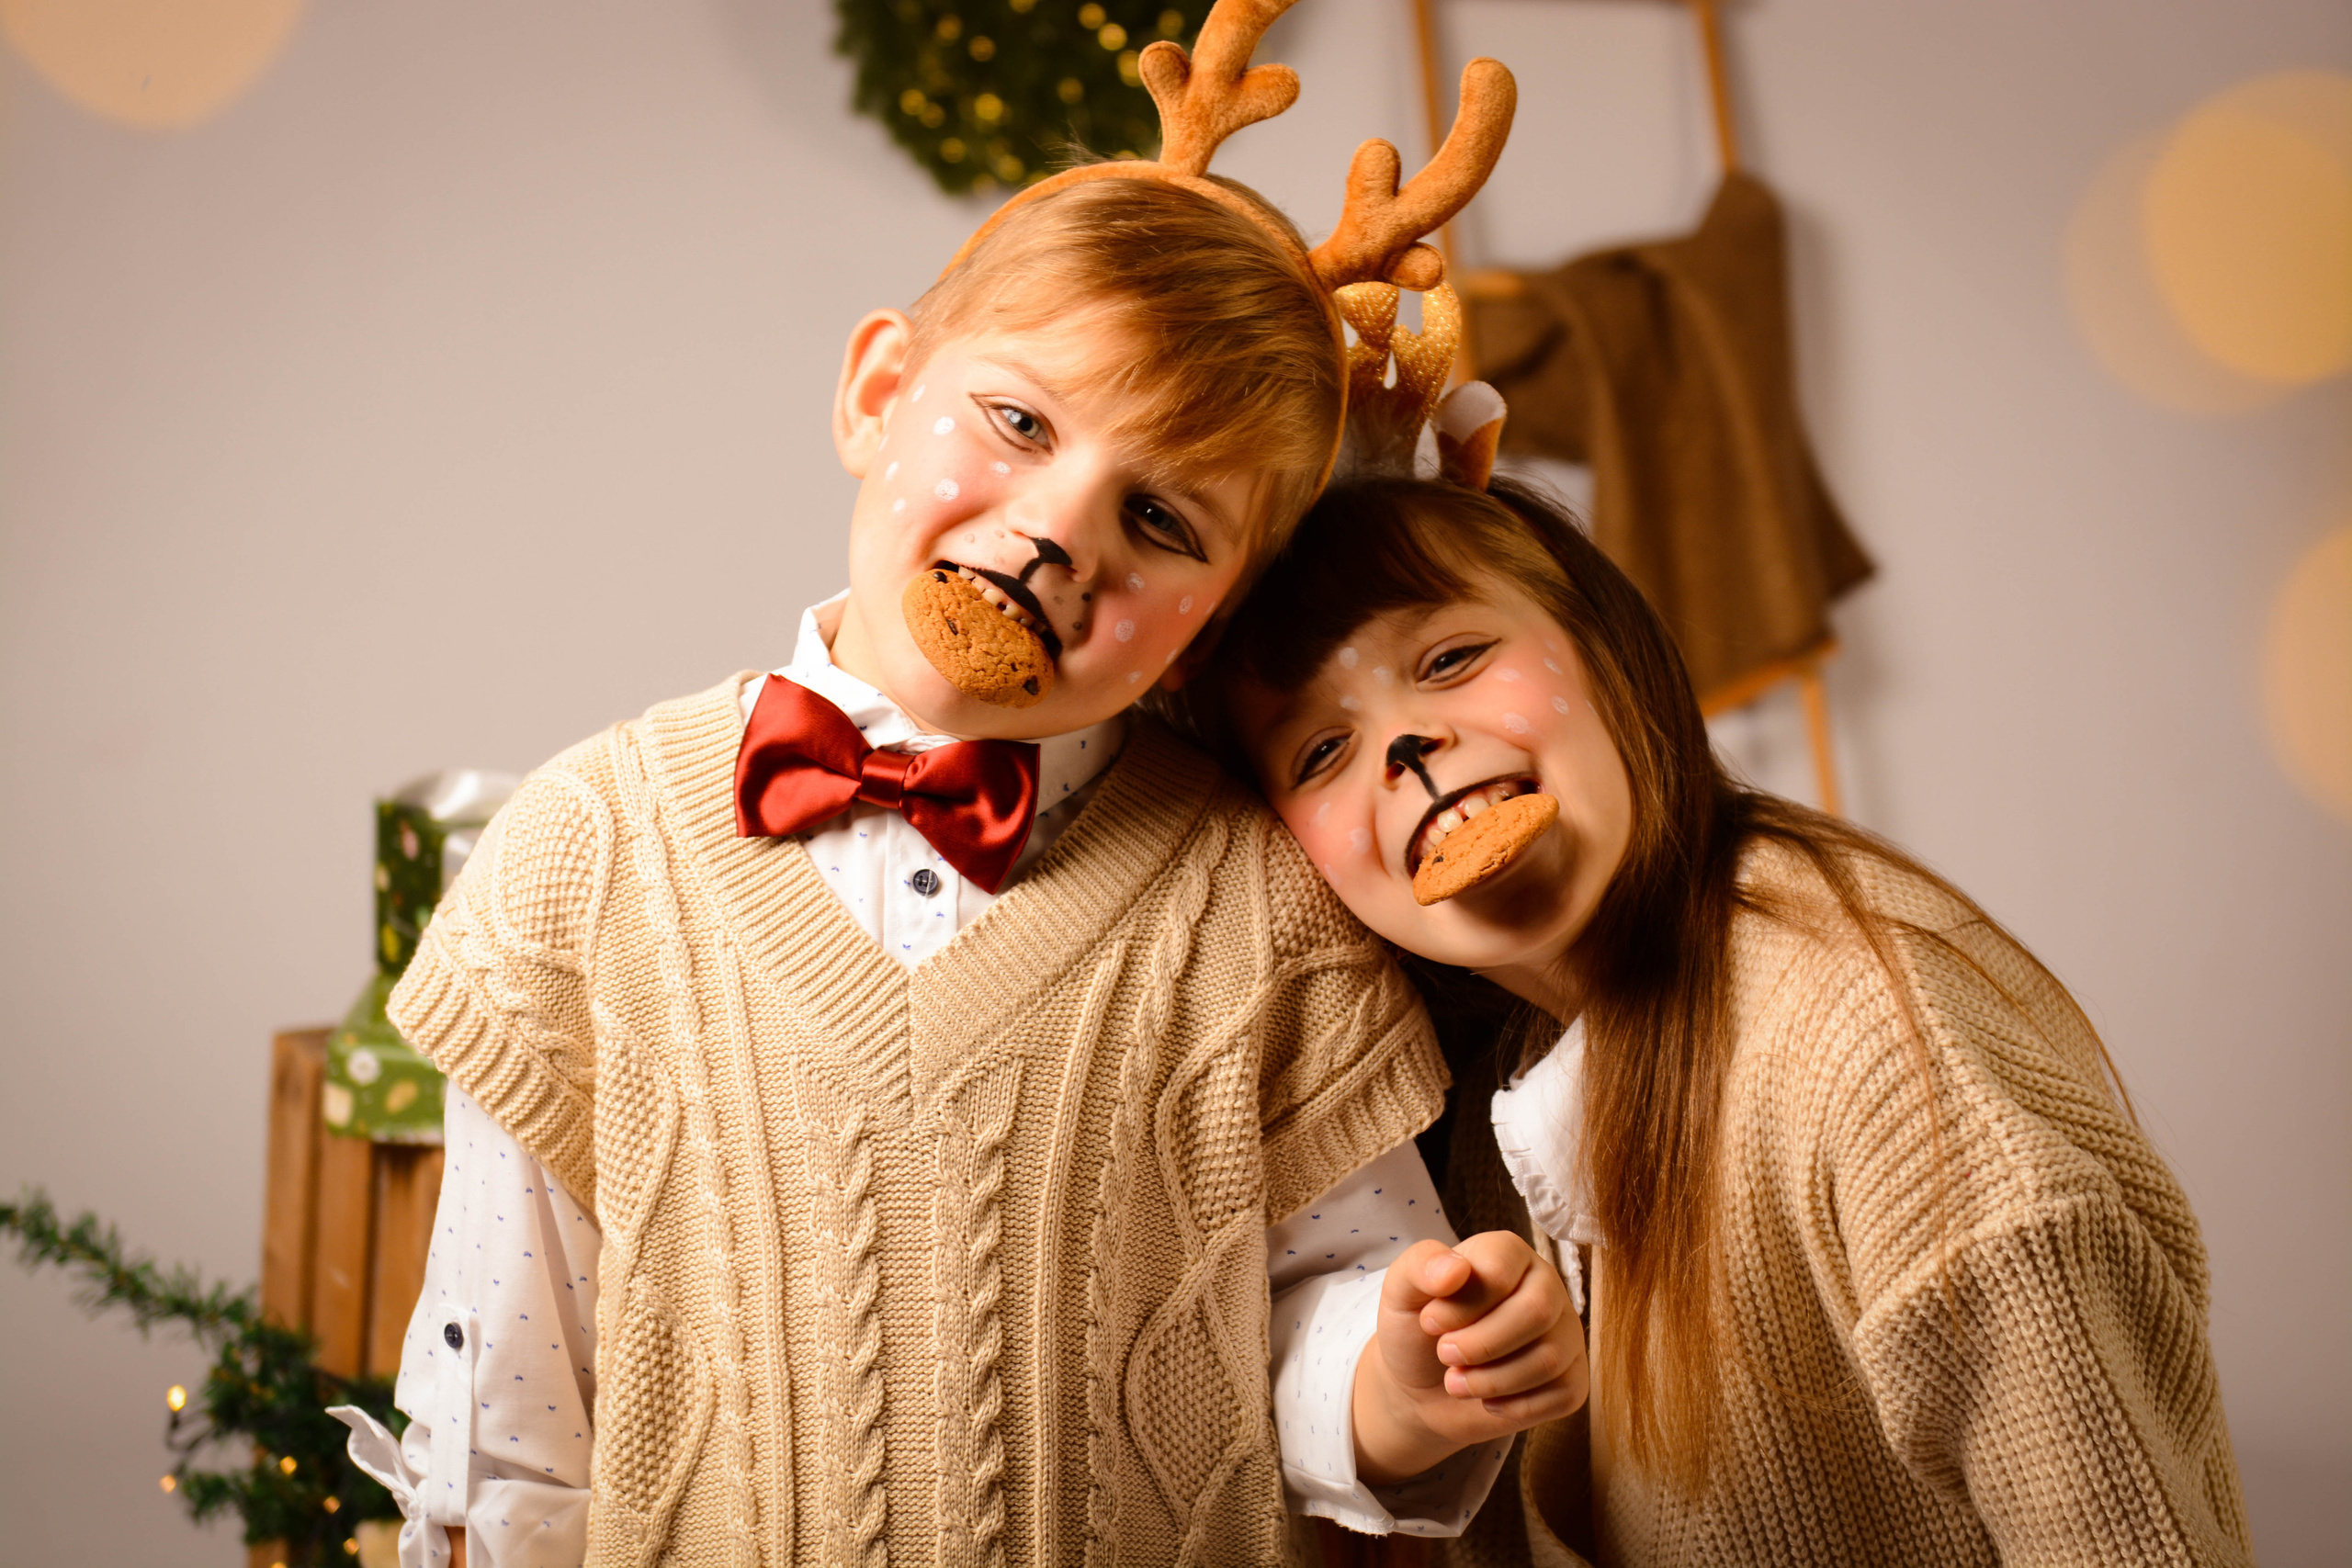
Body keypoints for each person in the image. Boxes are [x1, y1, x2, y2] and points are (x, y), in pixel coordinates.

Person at [329, 6, 1589, 1563]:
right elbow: (507, 1399)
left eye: (1164, 522)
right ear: (876, 392)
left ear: (1218, 620)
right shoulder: (587, 856)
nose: (1062, 529)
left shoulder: (1254, 903)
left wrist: (1401, 1372)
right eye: (1018, 423)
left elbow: (1320, 1303)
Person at [1213, 469, 2256, 1565]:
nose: (1405, 745)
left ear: (1611, 652)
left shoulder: (1880, 1058)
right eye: (1320, 751)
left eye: (1450, 659)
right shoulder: (1482, 1106)